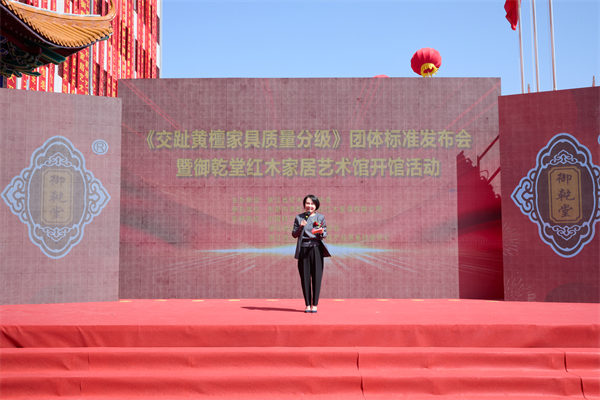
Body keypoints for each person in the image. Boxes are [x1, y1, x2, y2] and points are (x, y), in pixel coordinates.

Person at [292, 194, 331, 313]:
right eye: (307, 203)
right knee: (305, 277)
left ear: (316, 205)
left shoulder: (320, 217)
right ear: (304, 205)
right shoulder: (299, 218)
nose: (310, 206)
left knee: (317, 277)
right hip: (304, 249)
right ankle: (307, 304)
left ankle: (315, 304)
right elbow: (294, 234)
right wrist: (301, 226)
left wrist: (320, 231)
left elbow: (324, 234)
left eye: (312, 204)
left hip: (316, 249)